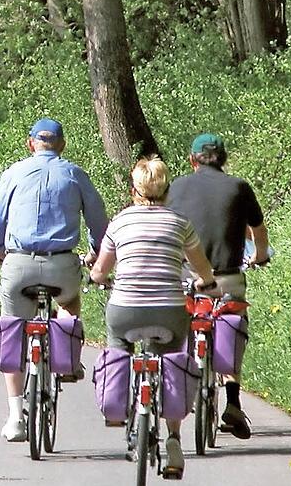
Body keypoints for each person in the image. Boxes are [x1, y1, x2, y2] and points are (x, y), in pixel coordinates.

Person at [0, 118, 109, 442]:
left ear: (31, 144)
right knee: (69, 300)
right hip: (61, 264)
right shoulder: (75, 174)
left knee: (13, 327)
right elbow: (98, 219)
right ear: (62, 145)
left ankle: (15, 417)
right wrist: (96, 251)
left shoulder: (14, 173)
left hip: (19, 264)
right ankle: (67, 357)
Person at [90, 157, 216, 477]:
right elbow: (201, 267)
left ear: (134, 190)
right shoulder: (180, 222)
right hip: (168, 309)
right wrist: (206, 282)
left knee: (118, 342)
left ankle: (116, 403)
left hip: (124, 309)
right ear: (167, 190)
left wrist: (100, 279)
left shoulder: (120, 222)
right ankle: (173, 438)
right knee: (172, 358)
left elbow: (100, 271)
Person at [167, 133, 269, 440]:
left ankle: (178, 387)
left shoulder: (176, 187)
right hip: (226, 279)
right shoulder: (239, 187)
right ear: (224, 159)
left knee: (180, 325)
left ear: (192, 160)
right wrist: (260, 256)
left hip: (187, 278)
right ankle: (233, 401)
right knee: (233, 326)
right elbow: (258, 231)